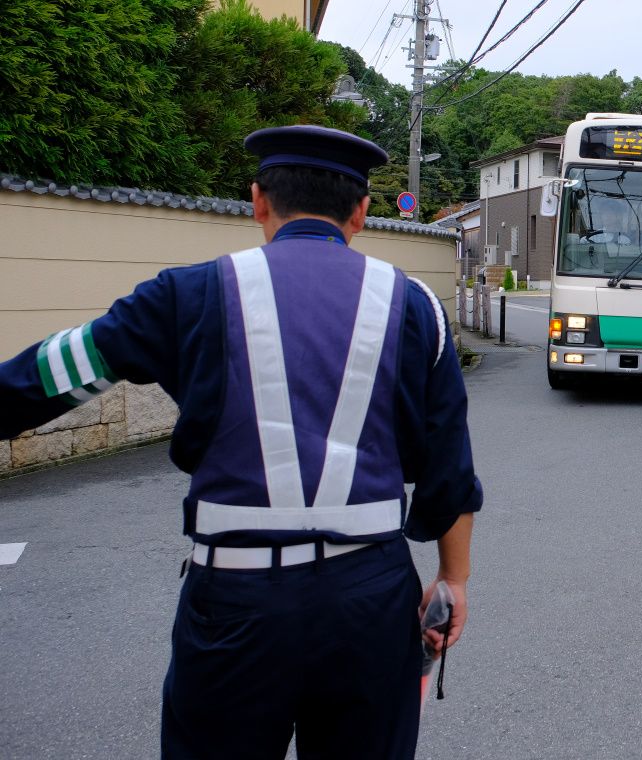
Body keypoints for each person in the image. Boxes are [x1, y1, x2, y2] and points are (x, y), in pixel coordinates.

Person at [0, 125, 483, 759]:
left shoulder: (187, 293)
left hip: (236, 601)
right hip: (370, 598)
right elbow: (448, 462)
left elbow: (48, 375)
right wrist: (453, 579)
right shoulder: (415, 305)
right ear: (362, 213)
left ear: (257, 200)